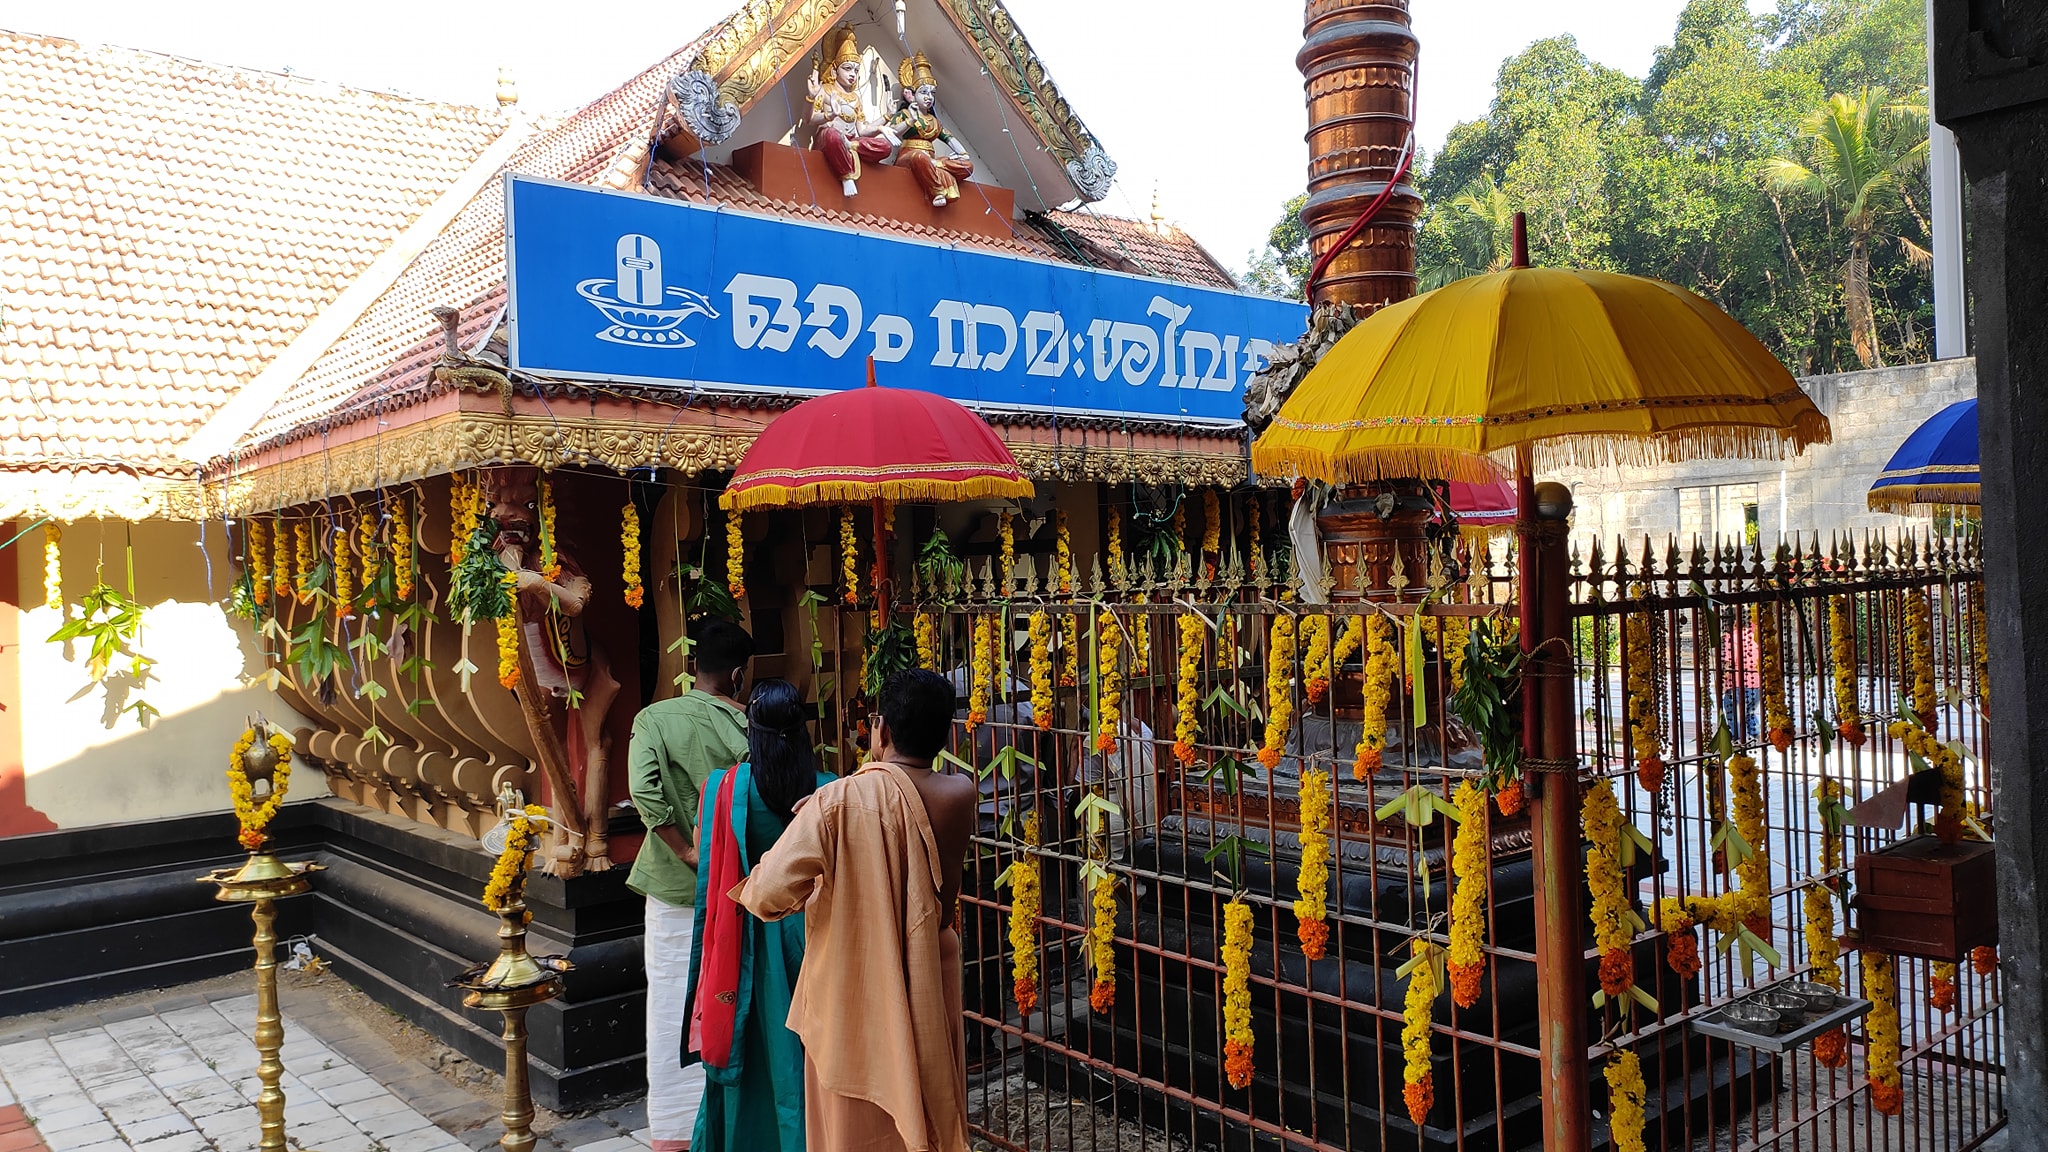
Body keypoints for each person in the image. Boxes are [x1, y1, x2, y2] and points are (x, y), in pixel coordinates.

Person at [736, 669, 979, 1152]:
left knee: (853, 1123)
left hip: (857, 981)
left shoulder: (836, 803)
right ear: (944, 733)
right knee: (929, 1094)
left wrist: (819, 828)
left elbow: (765, 895)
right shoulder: (960, 793)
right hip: (930, 964)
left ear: (881, 729)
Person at [685, 679, 835, 1152]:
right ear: (804, 730)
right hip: (816, 935)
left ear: (751, 730)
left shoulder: (723, 789)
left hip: (747, 935)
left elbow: (702, 854)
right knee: (812, 1055)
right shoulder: (831, 791)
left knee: (756, 1048)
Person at [626, 617, 754, 1152]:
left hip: (672, 888)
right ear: (740, 675)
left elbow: (644, 791)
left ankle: (674, 1130)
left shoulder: (653, 719)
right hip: (737, 893)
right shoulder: (747, 730)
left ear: (692, 666)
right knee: (731, 998)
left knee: (669, 1003)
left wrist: (684, 851)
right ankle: (727, 1120)